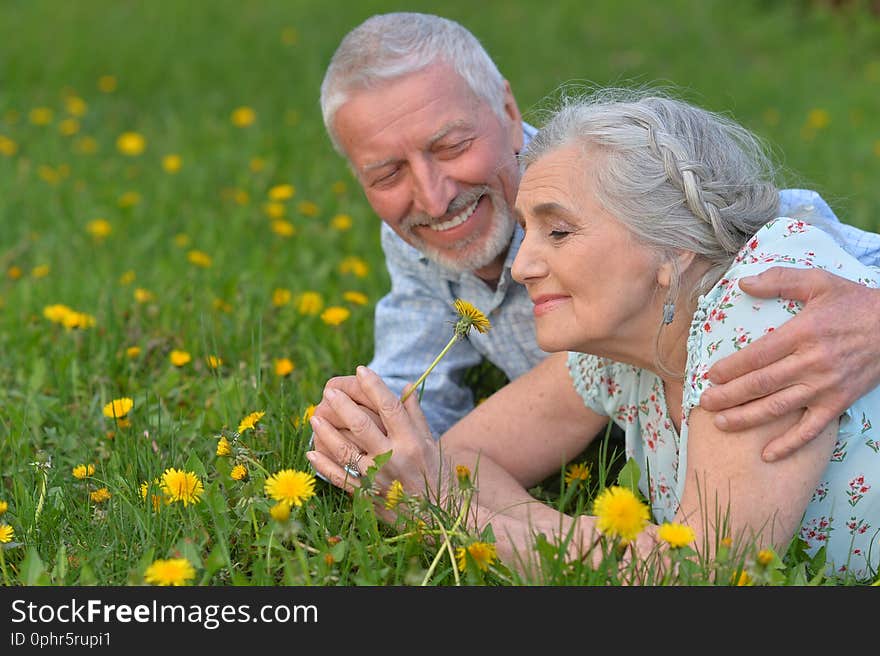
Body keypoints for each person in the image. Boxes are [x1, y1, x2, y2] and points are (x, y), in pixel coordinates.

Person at [308, 89, 880, 580]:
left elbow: (700, 575)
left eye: (558, 231)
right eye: (527, 231)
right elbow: (462, 458)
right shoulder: (628, 342)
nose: (521, 265)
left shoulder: (763, 301)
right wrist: (459, 501)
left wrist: (454, 515)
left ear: (673, 246)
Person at [317, 11, 880, 460]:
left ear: (509, 112)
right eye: (387, 174)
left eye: (452, 147)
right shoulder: (420, 234)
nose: (435, 197)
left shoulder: (603, 180)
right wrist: (367, 432)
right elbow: (419, 395)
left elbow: (758, 226)